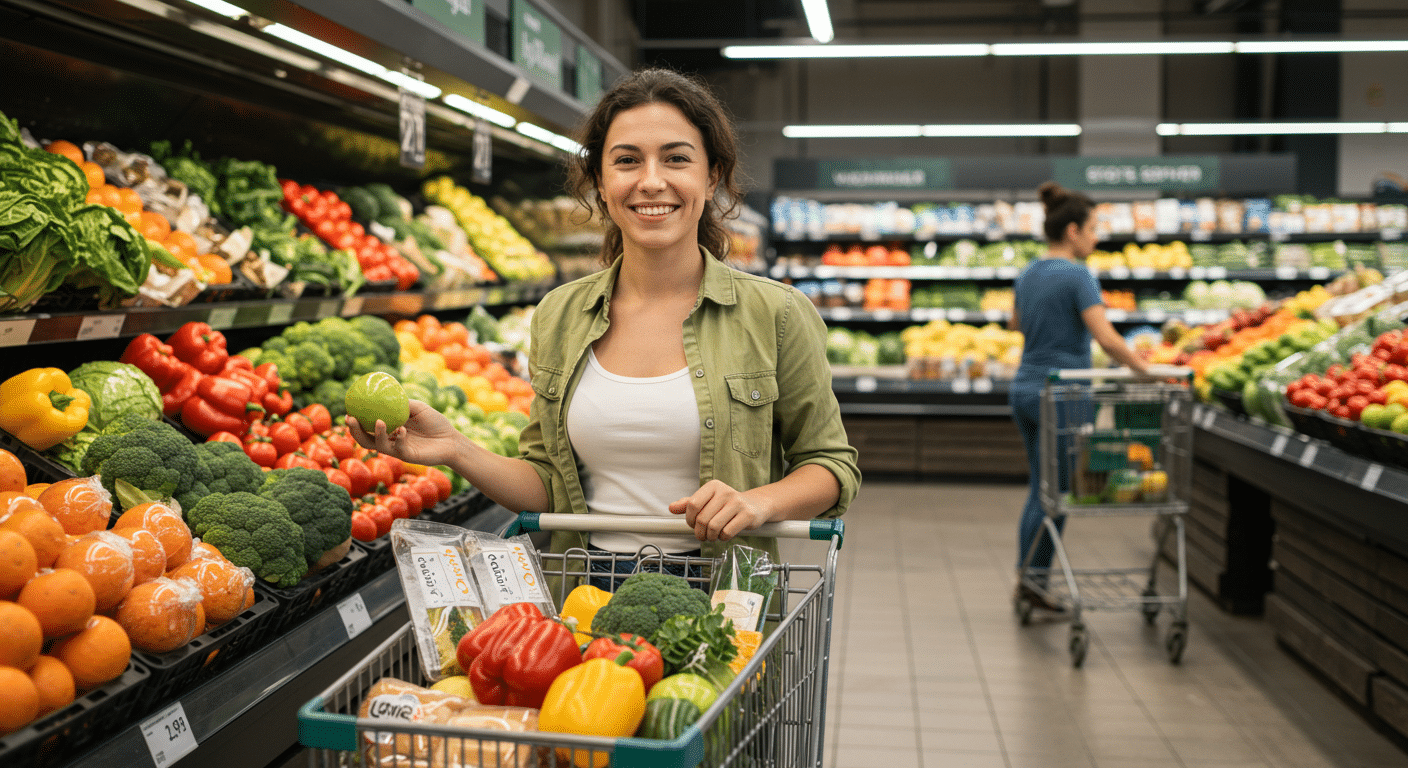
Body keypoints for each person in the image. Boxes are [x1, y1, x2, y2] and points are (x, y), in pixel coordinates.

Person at [347, 68, 860, 579]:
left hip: (725, 598)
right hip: (582, 591)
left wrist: (759, 503)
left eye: (677, 158)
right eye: (627, 161)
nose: (651, 180)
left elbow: (832, 467)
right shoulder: (560, 315)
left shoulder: (776, 314)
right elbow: (548, 485)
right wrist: (456, 449)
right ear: (600, 181)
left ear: (712, 176)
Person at [1008, 181, 1150, 611]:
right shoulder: (1078, 274)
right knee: (1058, 492)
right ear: (1072, 231)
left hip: (1026, 387)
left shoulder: (1029, 272)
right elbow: (1106, 338)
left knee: (1041, 487)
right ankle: (1033, 582)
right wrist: (1147, 370)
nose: (1096, 236)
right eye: (1092, 228)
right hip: (1065, 393)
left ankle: (1031, 580)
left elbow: (1016, 324)